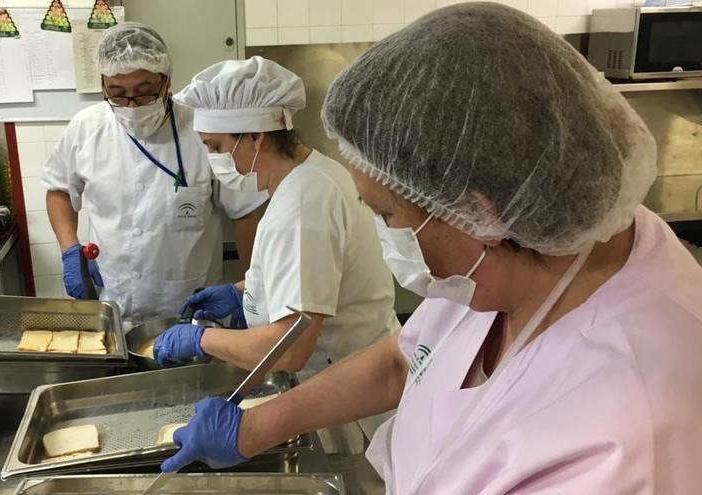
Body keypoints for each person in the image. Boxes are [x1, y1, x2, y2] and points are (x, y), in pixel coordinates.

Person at [155, 4, 702, 493]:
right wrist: (256, 427)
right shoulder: (517, 255)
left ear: (479, 211)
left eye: (390, 215)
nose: (387, 235)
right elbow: (405, 359)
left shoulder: (620, 439)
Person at [153, 57, 401, 457]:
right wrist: (243, 291)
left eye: (215, 147)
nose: (213, 159)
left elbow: (290, 348)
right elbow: (310, 273)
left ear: (255, 137)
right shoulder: (308, 177)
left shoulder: (303, 205)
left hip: (347, 407)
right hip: (343, 385)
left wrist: (204, 339)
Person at [41, 23, 267, 321]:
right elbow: (58, 190)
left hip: (192, 309)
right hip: (115, 304)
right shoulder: (85, 128)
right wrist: (69, 249)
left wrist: (250, 291)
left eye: (145, 92)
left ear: (167, 81)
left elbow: (244, 214)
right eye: (117, 93)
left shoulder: (204, 130)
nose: (132, 105)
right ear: (102, 84)